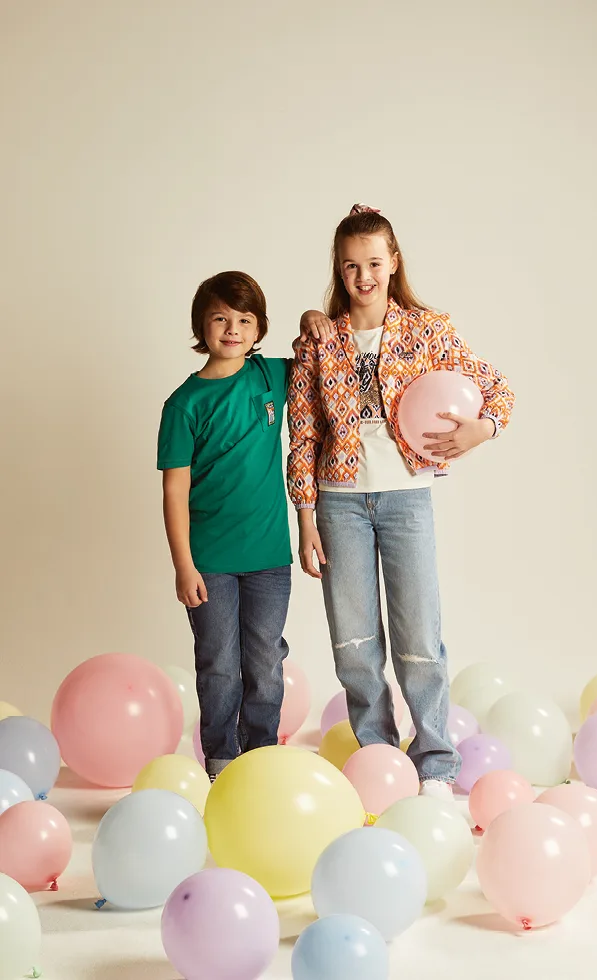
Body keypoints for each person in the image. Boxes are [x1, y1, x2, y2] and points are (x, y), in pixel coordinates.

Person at [287, 204, 515, 798]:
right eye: (350, 266)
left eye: (373, 263)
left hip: (407, 500)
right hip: (338, 504)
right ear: (338, 271)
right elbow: (304, 431)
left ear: (394, 264)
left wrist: (479, 430)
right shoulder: (320, 336)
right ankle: (379, 758)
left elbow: (496, 387)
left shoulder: (428, 328)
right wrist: (306, 518)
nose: (363, 276)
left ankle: (436, 761)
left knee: (419, 637)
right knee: (355, 641)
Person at [157, 271, 329, 781]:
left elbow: (319, 359)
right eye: (220, 319)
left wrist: (311, 317)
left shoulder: (270, 377)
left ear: (258, 330)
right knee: (217, 666)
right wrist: (184, 566)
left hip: (270, 560)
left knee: (265, 665)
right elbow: (174, 493)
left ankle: (259, 759)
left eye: (244, 320)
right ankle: (220, 760)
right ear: (201, 327)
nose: (232, 329)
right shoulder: (183, 405)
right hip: (209, 563)